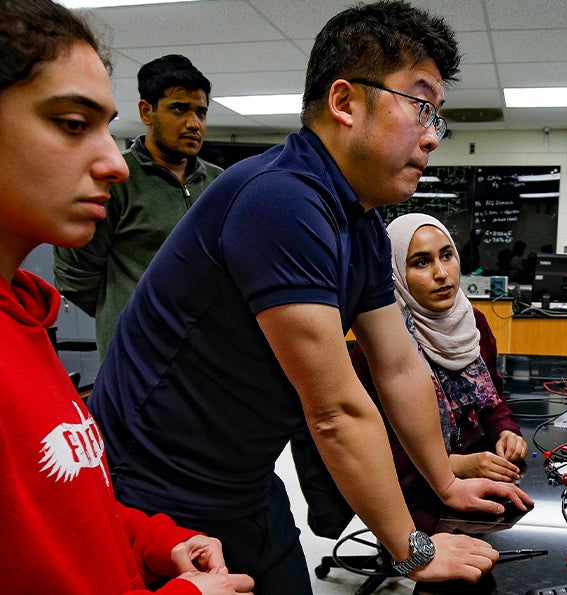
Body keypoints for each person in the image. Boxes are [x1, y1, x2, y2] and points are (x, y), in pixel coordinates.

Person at [88, 1, 532, 591]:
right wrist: (413, 550)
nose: (432, 135)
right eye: (421, 105)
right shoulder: (280, 198)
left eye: (438, 115)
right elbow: (335, 411)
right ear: (345, 102)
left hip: (243, 482)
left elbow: (398, 366)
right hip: (158, 497)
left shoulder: (362, 223)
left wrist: (445, 485)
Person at [0, 1, 253, 593]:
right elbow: (82, 278)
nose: (113, 162)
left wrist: (154, 541)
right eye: (71, 124)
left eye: (104, 129)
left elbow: (74, 513)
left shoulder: (26, 332)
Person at [351, 214, 529, 533]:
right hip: (411, 486)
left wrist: (506, 432)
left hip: (478, 465)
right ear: (395, 273)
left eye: (446, 256)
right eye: (421, 262)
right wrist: (452, 466)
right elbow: (371, 445)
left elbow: (493, 401)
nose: (442, 273)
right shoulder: (378, 344)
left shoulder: (472, 323)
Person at [53, 53, 222, 360]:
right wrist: (127, 312)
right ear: (147, 112)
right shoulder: (116, 179)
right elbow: (75, 275)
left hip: (202, 352)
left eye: (201, 112)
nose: (194, 123)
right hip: (136, 353)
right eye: (179, 109)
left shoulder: (218, 182)